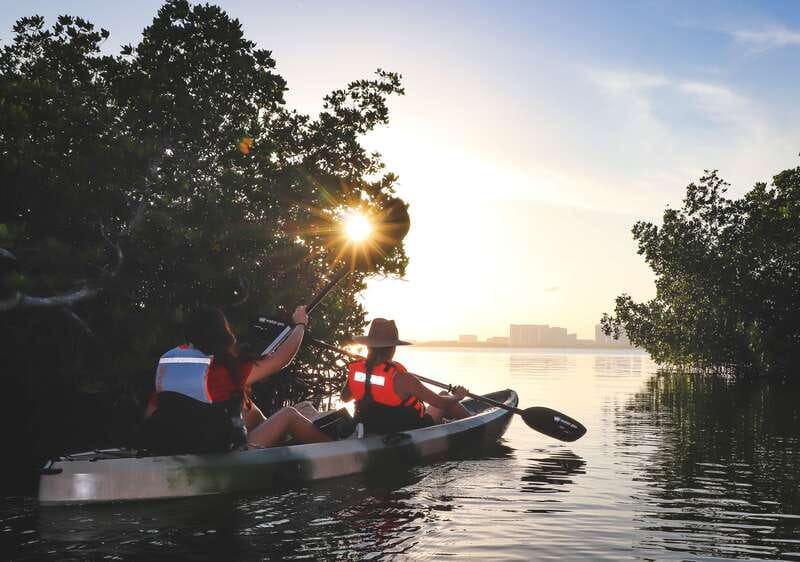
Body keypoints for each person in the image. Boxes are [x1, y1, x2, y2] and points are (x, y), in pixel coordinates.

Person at [141, 306, 331, 454]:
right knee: (289, 414)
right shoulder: (223, 366)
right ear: (222, 332)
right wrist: (300, 325)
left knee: (246, 407)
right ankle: (337, 448)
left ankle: (278, 437)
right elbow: (281, 359)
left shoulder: (171, 361)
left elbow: (151, 412)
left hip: (175, 444)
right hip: (221, 455)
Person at [340, 318, 471, 435]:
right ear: (392, 348)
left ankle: (450, 423)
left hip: (370, 426)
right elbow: (440, 403)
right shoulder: (402, 378)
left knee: (443, 395)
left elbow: (345, 398)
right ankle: (477, 425)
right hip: (410, 430)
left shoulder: (356, 371)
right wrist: (459, 395)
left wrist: (366, 368)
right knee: (446, 397)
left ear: (368, 346)